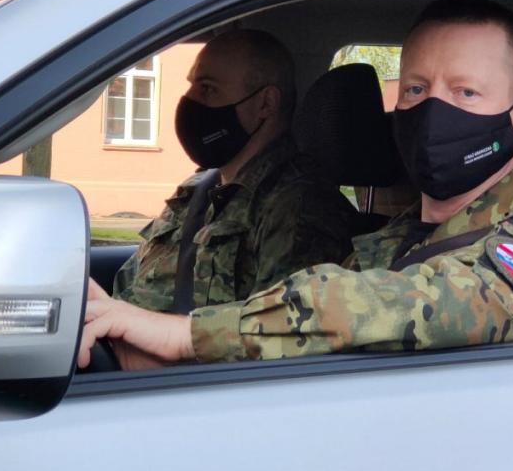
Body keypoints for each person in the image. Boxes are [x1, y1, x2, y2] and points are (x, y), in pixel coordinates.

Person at [80, 0, 513, 369]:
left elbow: (393, 306)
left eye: (466, 92)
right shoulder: (390, 239)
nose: (433, 109)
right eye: (416, 89)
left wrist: (184, 335)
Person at [91, 29, 356, 369]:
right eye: (192, 86)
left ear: (265, 104)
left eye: (208, 89)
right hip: (120, 366)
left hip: (184, 389)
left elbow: (277, 342)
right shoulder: (198, 189)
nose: (189, 102)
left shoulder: (300, 209)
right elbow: (130, 287)